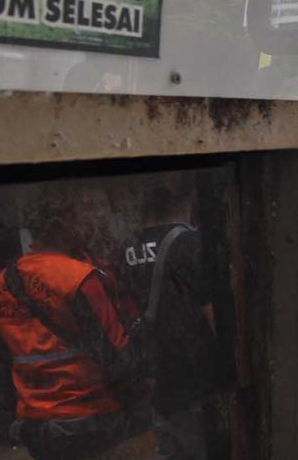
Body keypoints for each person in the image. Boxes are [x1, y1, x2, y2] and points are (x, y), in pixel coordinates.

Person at [0, 198, 136, 460]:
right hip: (89, 415)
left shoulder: (1, 284)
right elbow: (117, 349)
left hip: (34, 422)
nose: (83, 226)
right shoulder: (79, 277)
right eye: (76, 219)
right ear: (60, 226)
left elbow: (3, 355)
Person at [121, 187, 223, 460]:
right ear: (187, 199)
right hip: (195, 375)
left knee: (171, 446)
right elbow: (212, 312)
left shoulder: (128, 247)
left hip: (158, 373)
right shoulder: (191, 243)